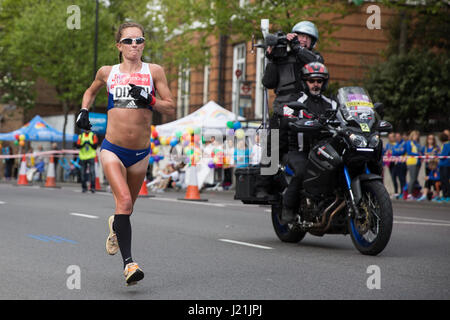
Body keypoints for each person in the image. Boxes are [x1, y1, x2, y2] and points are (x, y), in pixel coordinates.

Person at [76, 22, 175, 286]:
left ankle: (115, 225)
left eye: (139, 40)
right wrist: (84, 110)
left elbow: (170, 107)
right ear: (119, 46)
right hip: (112, 149)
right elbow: (90, 91)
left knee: (126, 209)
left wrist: (149, 99)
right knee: (126, 203)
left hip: (140, 153)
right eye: (129, 41)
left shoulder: (154, 71)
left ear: (144, 44)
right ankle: (130, 265)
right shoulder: (107, 72)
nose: (135, 45)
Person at [255, 21, 324, 199]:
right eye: (299, 36)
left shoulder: (314, 58)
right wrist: (271, 58)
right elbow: (268, 83)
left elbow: (316, 65)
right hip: (283, 110)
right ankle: (264, 187)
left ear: (312, 42)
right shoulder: (282, 58)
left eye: (306, 38)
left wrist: (298, 49)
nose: (302, 40)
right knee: (273, 147)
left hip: (308, 111)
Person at [280, 62, 337, 223]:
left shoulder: (331, 103)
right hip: (300, 151)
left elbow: (343, 117)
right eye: (312, 81)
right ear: (305, 82)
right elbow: (286, 119)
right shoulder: (296, 99)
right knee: (302, 171)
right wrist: (293, 120)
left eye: (319, 81)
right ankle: (288, 207)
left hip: (325, 150)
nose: (315, 84)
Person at [405, 130, 422, 200]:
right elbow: (409, 152)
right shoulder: (409, 143)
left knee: (415, 178)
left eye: (417, 135)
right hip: (412, 162)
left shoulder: (418, 143)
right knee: (412, 178)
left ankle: (413, 193)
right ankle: (409, 194)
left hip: (418, 162)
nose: (416, 137)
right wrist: (418, 154)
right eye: (415, 135)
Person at [391, 132, 407, 199]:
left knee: (402, 179)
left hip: (402, 163)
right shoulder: (395, 144)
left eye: (398, 136)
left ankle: (403, 192)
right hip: (396, 164)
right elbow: (394, 153)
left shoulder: (404, 143)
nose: (397, 138)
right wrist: (397, 153)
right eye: (396, 137)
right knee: (394, 177)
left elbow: (402, 152)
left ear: (401, 137)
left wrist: (397, 153)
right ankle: (396, 192)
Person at [436, 131, 450, 202]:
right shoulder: (443, 145)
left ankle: (448, 195)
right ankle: (444, 195)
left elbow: (443, 155)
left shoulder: (447, 145)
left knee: (446, 180)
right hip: (442, 165)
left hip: (446, 165)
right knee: (442, 181)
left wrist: (437, 155)